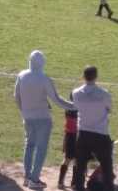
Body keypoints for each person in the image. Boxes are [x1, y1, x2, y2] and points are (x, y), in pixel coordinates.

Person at [14, 51, 76, 189]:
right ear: (42, 63)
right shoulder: (44, 78)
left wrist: (23, 111)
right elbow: (57, 100)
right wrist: (73, 106)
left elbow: (16, 96)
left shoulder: (21, 75)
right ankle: (34, 180)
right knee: (40, 149)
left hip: (27, 117)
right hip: (43, 119)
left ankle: (27, 177)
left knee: (29, 146)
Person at [71, 66, 114, 191]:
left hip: (83, 134)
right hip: (100, 134)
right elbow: (109, 109)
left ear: (83, 77)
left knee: (80, 166)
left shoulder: (76, 93)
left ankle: (79, 188)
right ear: (96, 77)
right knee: (107, 166)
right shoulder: (104, 94)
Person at [58, 97, 78, 189]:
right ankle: (74, 183)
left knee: (67, 159)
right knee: (76, 161)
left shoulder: (68, 108)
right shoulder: (79, 108)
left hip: (69, 136)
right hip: (77, 136)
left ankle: (60, 182)